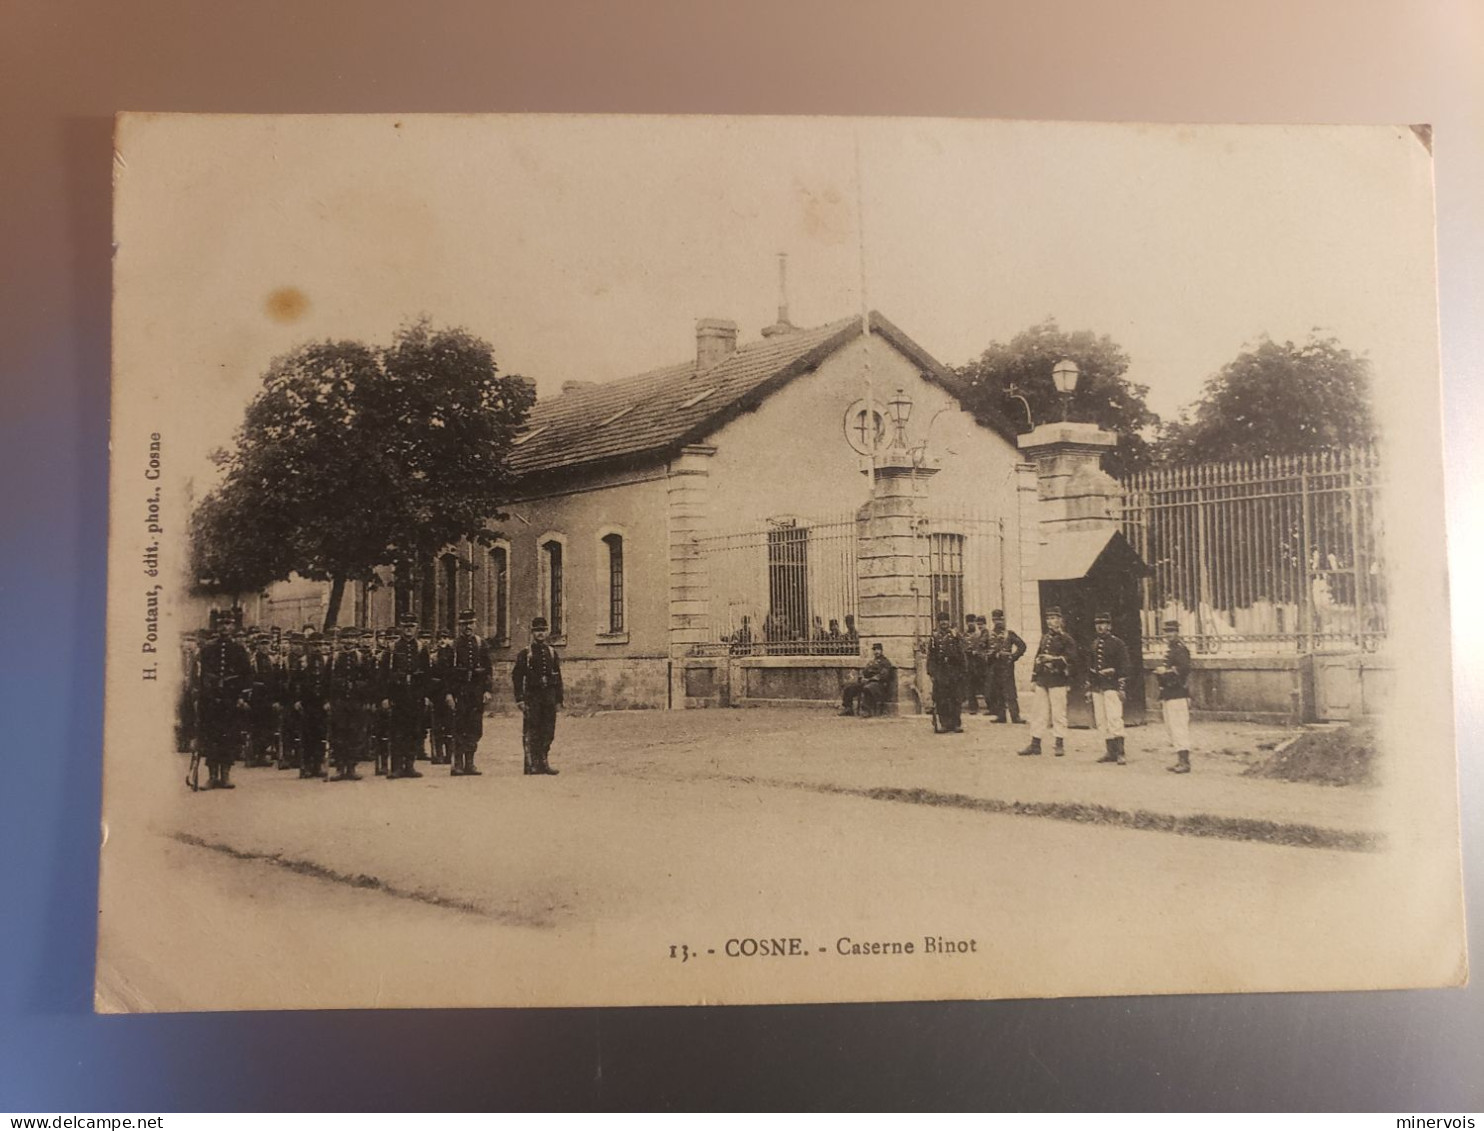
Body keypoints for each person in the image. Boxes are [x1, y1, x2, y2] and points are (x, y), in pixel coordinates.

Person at [195, 615, 251, 789]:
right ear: (216, 627)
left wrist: (242, 697)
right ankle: (212, 776)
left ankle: (225, 776)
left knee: (229, 737)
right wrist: (200, 696)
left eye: (228, 624)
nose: (225, 627)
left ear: (233, 626)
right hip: (211, 700)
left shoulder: (239, 650)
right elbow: (200, 675)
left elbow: (247, 676)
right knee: (211, 737)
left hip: (230, 700)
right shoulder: (207, 649)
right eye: (221, 624)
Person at [1019, 606, 1077, 757]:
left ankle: (1059, 744)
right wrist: (1033, 678)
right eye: (1048, 619)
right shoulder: (1044, 638)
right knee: (1038, 712)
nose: (1050, 622)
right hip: (1043, 680)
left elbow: (1072, 659)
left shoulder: (1067, 639)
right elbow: (1037, 657)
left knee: (1058, 713)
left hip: (1058, 680)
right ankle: (1035, 744)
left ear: (1060, 620)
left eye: (1053, 618)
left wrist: (1054, 660)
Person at [380, 613, 429, 780]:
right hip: (398, 696)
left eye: (412, 626)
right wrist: (385, 697)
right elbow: (383, 674)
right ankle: (396, 767)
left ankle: (409, 765)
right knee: (397, 732)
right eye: (406, 626)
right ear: (401, 628)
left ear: (416, 628)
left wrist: (426, 696)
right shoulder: (392, 648)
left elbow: (427, 675)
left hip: (415, 696)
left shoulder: (422, 648)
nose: (409, 629)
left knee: (413, 731)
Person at [443, 609, 493, 776]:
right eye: (464, 624)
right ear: (459, 626)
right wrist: (449, 694)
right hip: (460, 693)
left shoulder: (481, 645)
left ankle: (470, 762)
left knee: (474, 727)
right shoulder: (453, 646)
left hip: (476, 692)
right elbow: (447, 673)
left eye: (470, 624)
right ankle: (457, 763)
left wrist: (487, 690)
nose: (468, 627)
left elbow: (488, 670)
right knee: (459, 726)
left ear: (475, 624)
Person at [513, 616, 563, 775]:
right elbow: (517, 677)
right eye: (537, 631)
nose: (540, 634)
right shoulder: (525, 653)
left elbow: (558, 678)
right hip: (532, 697)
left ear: (547, 632)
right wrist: (519, 699)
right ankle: (531, 763)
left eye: (543, 630)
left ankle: (544, 761)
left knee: (548, 730)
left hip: (548, 697)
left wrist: (559, 700)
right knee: (532, 729)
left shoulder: (552, 653)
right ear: (532, 632)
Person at [328, 627, 373, 781]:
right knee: (338, 734)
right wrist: (329, 699)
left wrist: (360, 690)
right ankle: (340, 768)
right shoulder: (334, 658)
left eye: (352, 638)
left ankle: (352, 767)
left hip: (356, 702)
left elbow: (369, 680)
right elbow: (327, 681)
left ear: (357, 640)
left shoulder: (361, 658)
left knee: (355, 734)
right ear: (341, 641)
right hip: (339, 702)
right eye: (346, 638)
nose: (349, 641)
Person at [1088, 612, 1130, 765]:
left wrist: (1121, 686)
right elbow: (1091, 666)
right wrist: (1090, 687)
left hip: (1111, 686)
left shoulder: (1118, 643)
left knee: (1114, 717)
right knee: (1101, 720)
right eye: (1098, 624)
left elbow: (1125, 667)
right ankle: (1110, 752)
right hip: (1098, 687)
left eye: (1104, 623)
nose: (1100, 626)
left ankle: (1120, 752)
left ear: (1110, 626)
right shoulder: (1094, 644)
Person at [291, 632, 333, 779]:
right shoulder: (303, 661)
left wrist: (328, 700)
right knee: (307, 735)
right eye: (314, 645)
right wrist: (297, 700)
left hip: (322, 703)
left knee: (321, 734)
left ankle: (318, 764)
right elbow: (295, 683)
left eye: (320, 645)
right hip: (307, 703)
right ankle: (306, 765)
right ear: (308, 646)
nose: (318, 648)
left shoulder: (328, 661)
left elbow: (329, 683)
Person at [1155, 618, 1194, 773]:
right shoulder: (1171, 649)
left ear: (1177, 632)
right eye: (1167, 632)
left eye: (1172, 631)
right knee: (1171, 728)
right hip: (1169, 694)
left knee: (1179, 727)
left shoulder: (1180, 649)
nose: (1169, 635)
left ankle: (1185, 762)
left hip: (1177, 694)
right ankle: (1180, 760)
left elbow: (1184, 670)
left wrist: (1165, 672)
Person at [926, 611, 966, 733]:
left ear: (949, 622)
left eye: (946, 620)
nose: (944, 623)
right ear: (938, 623)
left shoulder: (955, 635)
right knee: (942, 699)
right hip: (941, 672)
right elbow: (931, 657)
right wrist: (931, 673)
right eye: (941, 621)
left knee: (955, 698)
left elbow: (962, 654)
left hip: (954, 671)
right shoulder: (934, 637)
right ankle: (944, 723)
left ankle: (956, 724)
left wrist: (962, 671)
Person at [986, 610, 1026, 723]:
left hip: (1006, 665)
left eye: (1000, 619)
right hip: (994, 665)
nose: (998, 622)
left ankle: (1015, 716)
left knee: (1010, 690)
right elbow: (981, 647)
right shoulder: (989, 634)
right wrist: (988, 655)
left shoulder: (1010, 634)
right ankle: (1001, 716)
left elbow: (1022, 646)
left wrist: (1013, 657)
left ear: (1003, 620)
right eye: (995, 620)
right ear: (993, 620)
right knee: (997, 690)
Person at [840, 643, 895, 717]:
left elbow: (882, 676)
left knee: (868, 688)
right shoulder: (871, 662)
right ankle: (848, 708)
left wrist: (869, 679)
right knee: (849, 687)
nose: (876, 652)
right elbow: (865, 672)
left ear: (881, 651)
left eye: (878, 650)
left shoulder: (885, 662)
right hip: (868, 682)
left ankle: (866, 711)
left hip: (879, 685)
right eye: (874, 650)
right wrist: (862, 677)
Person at [428, 626, 456, 765]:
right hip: (437, 695)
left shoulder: (454, 655)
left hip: (450, 695)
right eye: (440, 639)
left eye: (445, 638)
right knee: (437, 725)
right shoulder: (433, 656)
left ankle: (449, 754)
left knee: (450, 724)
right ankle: (437, 754)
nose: (442, 641)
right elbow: (429, 676)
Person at [962, 614, 989, 714]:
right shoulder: (964, 635)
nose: (971, 624)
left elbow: (984, 646)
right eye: (969, 622)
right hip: (969, 664)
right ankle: (973, 707)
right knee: (970, 686)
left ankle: (990, 706)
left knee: (985, 685)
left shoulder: (981, 634)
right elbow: (962, 646)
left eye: (972, 622)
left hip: (981, 663)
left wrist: (976, 651)